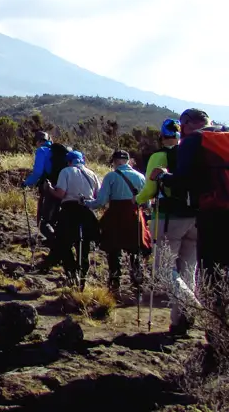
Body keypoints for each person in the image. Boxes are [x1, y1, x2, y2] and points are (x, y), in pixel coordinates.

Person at [153, 109, 229, 360]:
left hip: (212, 217)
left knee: (210, 276)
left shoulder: (194, 141)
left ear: (186, 124)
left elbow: (184, 181)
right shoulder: (224, 136)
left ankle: (216, 341)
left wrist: (164, 177)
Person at [136, 118, 194, 336]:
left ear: (162, 136)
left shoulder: (160, 157)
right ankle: (180, 322)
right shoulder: (193, 155)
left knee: (163, 270)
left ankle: (192, 304)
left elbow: (149, 190)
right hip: (196, 219)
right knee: (188, 271)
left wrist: (137, 200)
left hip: (169, 218)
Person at [84, 150, 151, 293]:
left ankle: (114, 285)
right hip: (135, 217)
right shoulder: (140, 176)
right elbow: (147, 204)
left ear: (114, 161)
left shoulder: (111, 176)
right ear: (127, 161)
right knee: (135, 252)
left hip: (115, 217)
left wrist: (85, 203)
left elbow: (101, 201)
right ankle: (137, 286)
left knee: (114, 252)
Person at [47, 150, 101, 288]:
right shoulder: (92, 173)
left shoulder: (66, 171)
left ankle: (72, 273)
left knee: (63, 243)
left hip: (69, 211)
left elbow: (60, 194)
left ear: (69, 161)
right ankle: (83, 277)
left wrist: (49, 188)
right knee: (84, 246)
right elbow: (99, 197)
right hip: (88, 211)